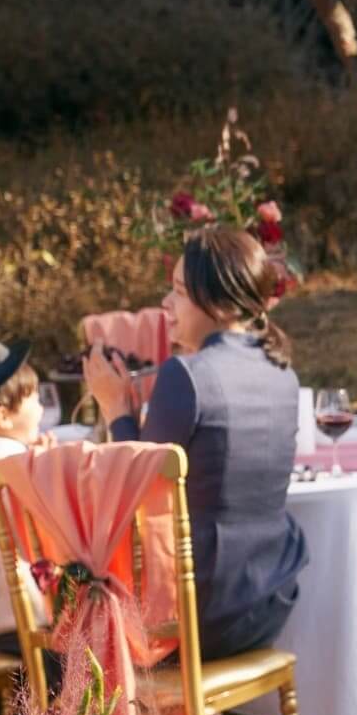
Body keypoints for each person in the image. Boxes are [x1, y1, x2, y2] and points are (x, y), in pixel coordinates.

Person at [85, 229, 311, 659]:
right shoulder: (283, 372)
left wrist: (116, 410)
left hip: (198, 618)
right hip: (270, 603)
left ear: (220, 304)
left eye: (179, 292)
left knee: (59, 631)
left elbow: (138, 492)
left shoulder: (186, 374)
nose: (165, 304)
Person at [0, 340, 53, 635]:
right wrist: (48, 468)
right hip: (21, 623)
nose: (42, 409)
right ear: (4, 416)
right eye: (34, 398)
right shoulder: (13, 462)